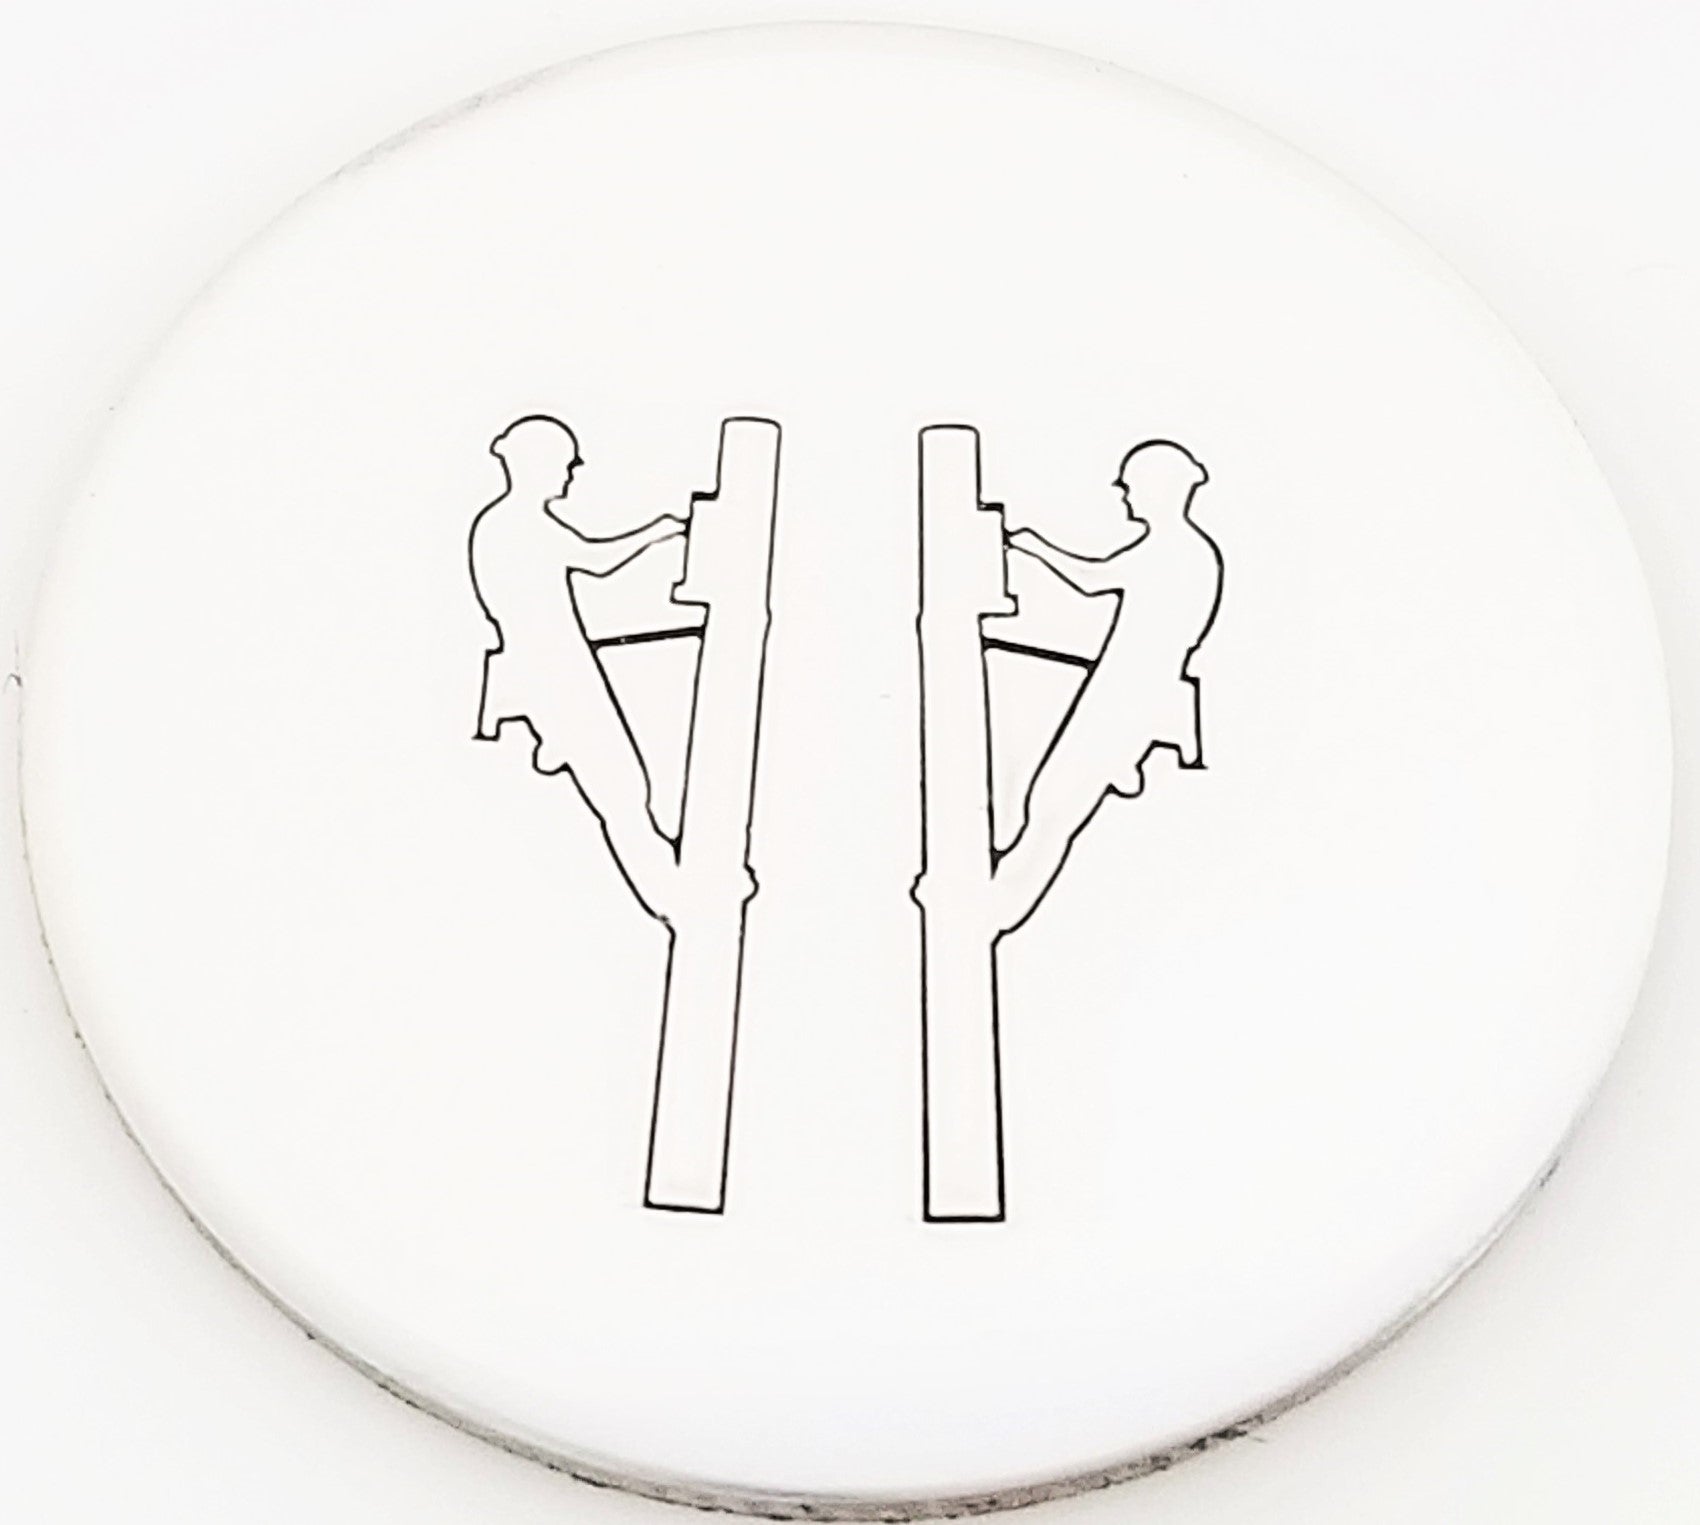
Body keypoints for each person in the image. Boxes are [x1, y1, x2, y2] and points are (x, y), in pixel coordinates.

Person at [991, 439, 1224, 932]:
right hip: (1129, 691)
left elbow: (1092, 579)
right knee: (1050, 807)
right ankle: (997, 898)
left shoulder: (1172, 552)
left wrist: (1032, 545)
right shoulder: (1188, 553)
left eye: (1131, 486)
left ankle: (998, 910)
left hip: (1127, 695)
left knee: (1054, 808)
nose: (1125, 495)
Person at [469, 414, 686, 920]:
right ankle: (671, 896)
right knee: (622, 792)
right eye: (564, 464)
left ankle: (671, 887)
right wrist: (659, 531)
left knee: (623, 792)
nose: (570, 474)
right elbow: (597, 561)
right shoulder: (519, 525)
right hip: (557, 673)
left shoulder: (503, 524)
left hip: (552, 668)